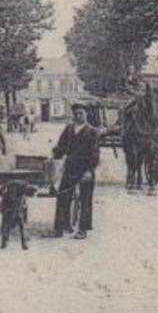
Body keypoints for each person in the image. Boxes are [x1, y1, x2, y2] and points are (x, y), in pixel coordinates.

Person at [50, 102, 101, 239]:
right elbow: (61, 147)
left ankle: (82, 230)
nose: (78, 116)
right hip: (70, 168)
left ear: (86, 115)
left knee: (85, 200)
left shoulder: (92, 132)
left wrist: (89, 171)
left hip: (85, 170)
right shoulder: (68, 129)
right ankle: (60, 228)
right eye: (76, 113)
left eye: (81, 113)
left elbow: (95, 155)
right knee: (63, 196)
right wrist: (54, 155)